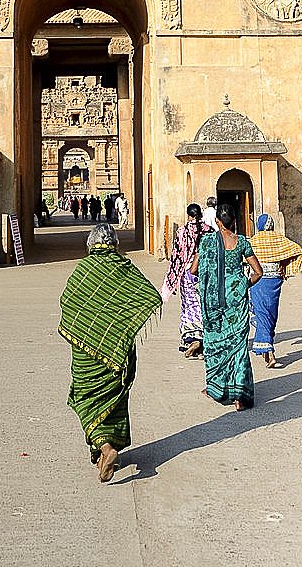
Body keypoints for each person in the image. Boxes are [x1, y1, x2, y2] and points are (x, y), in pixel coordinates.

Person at [59, 223, 162, 482]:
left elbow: (67, 302)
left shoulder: (83, 270)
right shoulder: (124, 268)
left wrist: (86, 329)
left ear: (91, 244)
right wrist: (122, 324)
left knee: (83, 397)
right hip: (116, 350)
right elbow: (150, 296)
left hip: (86, 351)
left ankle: (105, 448)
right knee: (114, 399)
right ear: (115, 243)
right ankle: (108, 447)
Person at [190, 202, 262, 410]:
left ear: (218, 221)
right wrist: (242, 285)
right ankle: (240, 396)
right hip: (236, 300)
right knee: (238, 346)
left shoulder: (205, 242)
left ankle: (215, 387)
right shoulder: (242, 243)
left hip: (213, 301)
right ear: (235, 221)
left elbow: (194, 270)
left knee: (214, 343)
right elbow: (258, 272)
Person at [249, 213, 302, 368]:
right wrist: (285, 268)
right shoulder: (280, 240)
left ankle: (269, 350)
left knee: (262, 314)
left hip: (257, 281)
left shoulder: (253, 241)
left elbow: (242, 258)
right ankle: (267, 350)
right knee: (271, 314)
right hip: (274, 281)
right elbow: (298, 251)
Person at [161, 203, 211, 358]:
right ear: (201, 215)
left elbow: (177, 256)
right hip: (206, 274)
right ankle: (203, 344)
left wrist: (171, 279)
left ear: (189, 215)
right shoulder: (209, 231)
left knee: (189, 306)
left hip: (187, 274)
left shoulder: (182, 231)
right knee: (205, 306)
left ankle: (192, 340)